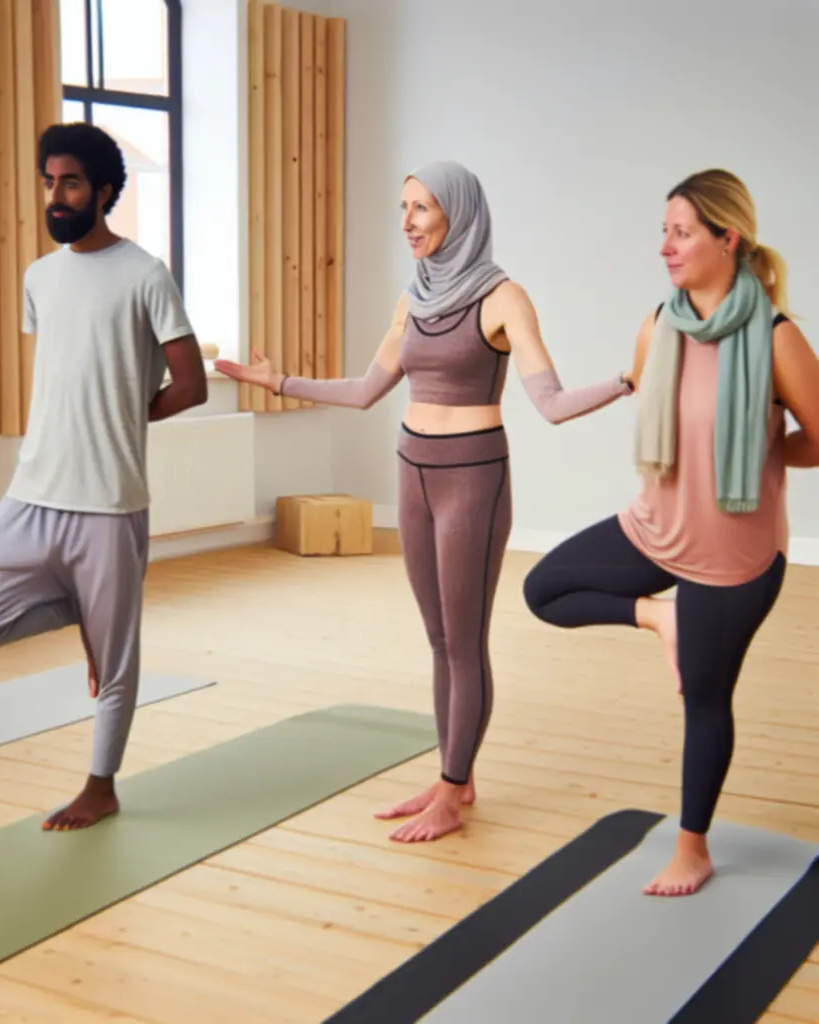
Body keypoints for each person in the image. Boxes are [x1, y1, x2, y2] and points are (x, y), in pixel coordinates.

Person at [214, 160, 633, 842]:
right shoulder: (413, 298)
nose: (406, 222)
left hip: (474, 477)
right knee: (438, 640)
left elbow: (550, 404)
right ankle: (454, 778)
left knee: (465, 643)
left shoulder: (504, 299)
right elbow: (363, 389)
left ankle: (450, 788)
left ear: (458, 215)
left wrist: (625, 379)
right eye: (402, 206)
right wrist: (278, 380)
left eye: (421, 209)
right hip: (412, 470)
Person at [522, 168, 819, 896]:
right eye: (664, 231)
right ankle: (660, 615)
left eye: (682, 232)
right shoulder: (659, 322)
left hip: (735, 555)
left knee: (705, 701)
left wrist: (761, 452)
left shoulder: (778, 338)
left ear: (729, 238)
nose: (666, 246)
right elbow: (642, 392)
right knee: (543, 588)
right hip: (654, 526)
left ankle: (693, 847)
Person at [0, 123, 208, 831]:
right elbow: (66, 370)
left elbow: (191, 385)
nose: (55, 195)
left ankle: (101, 786)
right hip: (32, 488)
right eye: (47, 181)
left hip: (108, 498)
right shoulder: (39, 276)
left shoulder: (144, 273)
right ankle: (88, 611)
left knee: (117, 662)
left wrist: (124, 418)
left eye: (68, 182)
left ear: (102, 191)